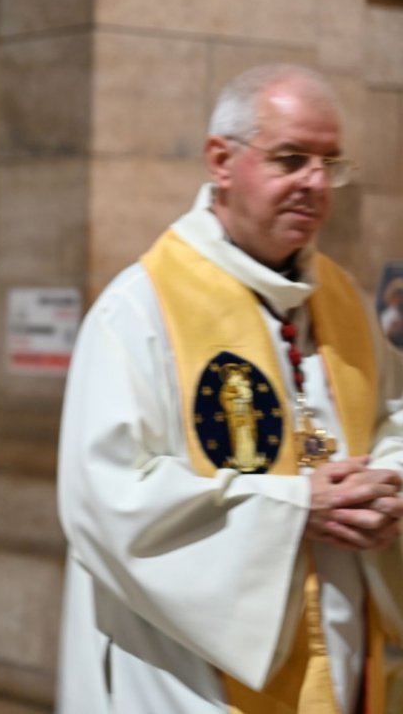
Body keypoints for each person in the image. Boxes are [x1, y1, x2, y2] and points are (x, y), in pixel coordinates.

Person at [55, 62, 403, 713]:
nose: (317, 184)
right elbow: (107, 500)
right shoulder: (138, 311)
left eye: (331, 163)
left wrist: (386, 485)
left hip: (340, 640)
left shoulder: (345, 301)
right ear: (221, 159)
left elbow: (394, 418)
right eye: (292, 159)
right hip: (186, 670)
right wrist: (293, 505)